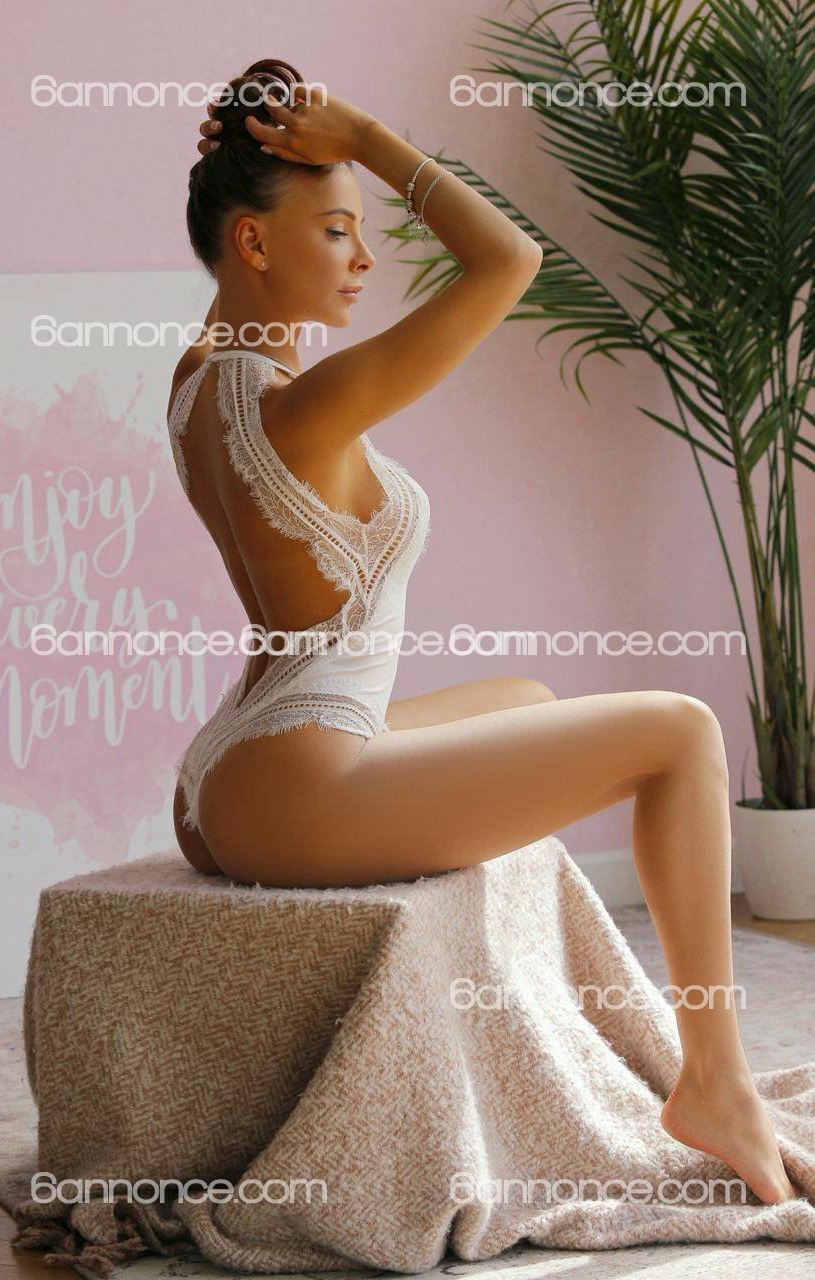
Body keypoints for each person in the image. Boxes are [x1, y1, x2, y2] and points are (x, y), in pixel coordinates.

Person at [167, 59, 800, 1206]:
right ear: (253, 241)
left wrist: (281, 131)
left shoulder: (202, 375)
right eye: (337, 230)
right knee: (680, 731)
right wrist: (367, 135)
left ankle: (683, 1065)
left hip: (228, 774)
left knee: (528, 704)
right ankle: (715, 1078)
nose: (363, 258)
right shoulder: (305, 407)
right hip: (292, 792)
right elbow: (509, 259)